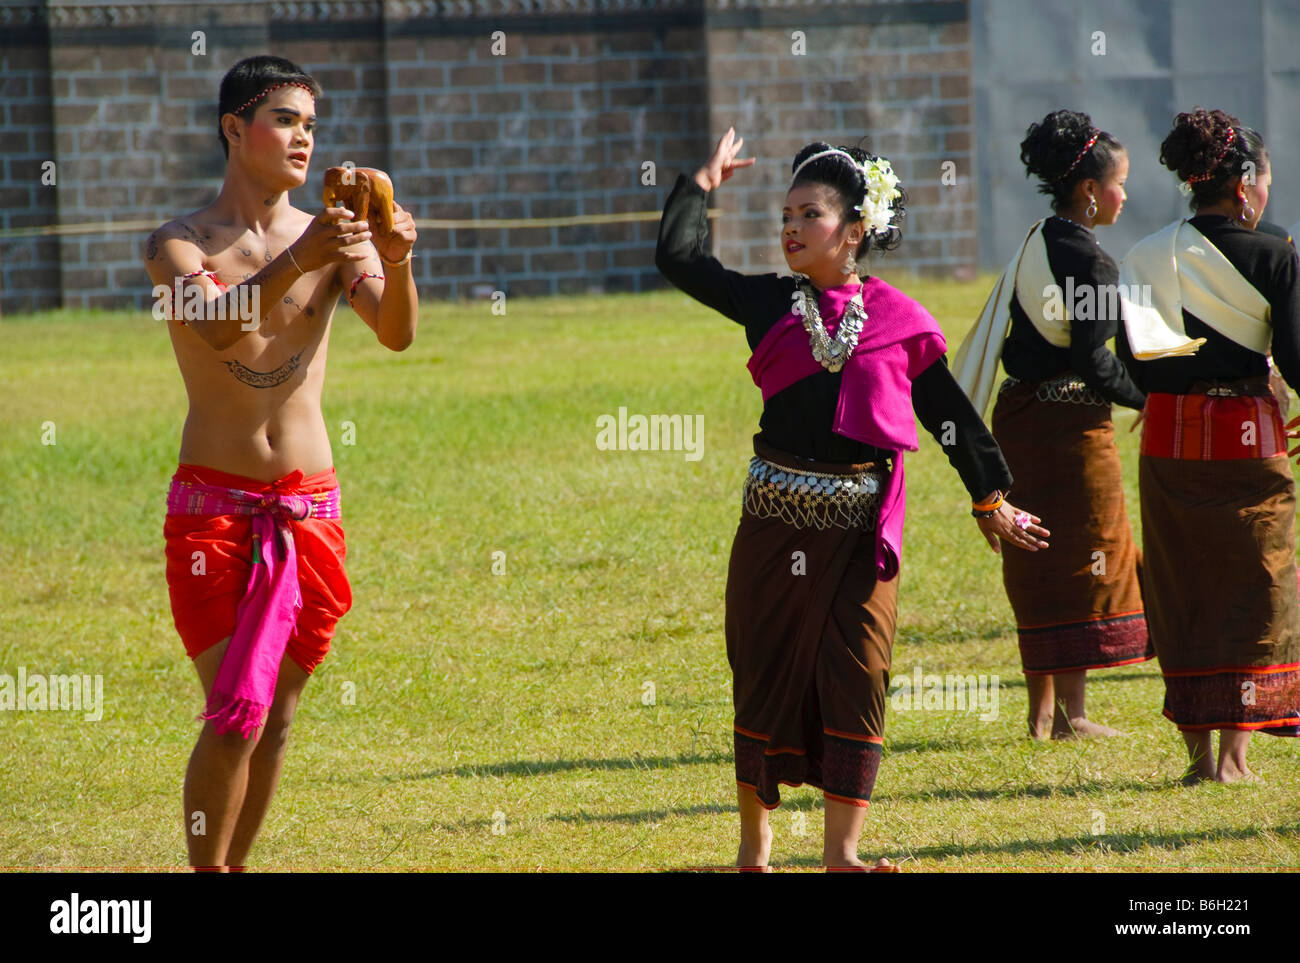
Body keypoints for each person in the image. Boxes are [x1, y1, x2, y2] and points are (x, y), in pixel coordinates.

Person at [656, 128, 1049, 870]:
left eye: (810, 214)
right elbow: (678, 260)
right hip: (774, 528)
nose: (791, 228)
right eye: (786, 215)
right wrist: (702, 185)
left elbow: (949, 416)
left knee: (860, 673)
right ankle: (753, 852)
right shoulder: (768, 302)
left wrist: (990, 496)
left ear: (855, 230)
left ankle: (843, 853)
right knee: (765, 671)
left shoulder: (901, 322)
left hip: (861, 535)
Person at [143, 55, 418, 869]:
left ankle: (233, 865)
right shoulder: (174, 244)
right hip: (213, 511)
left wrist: (395, 252)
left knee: (279, 714)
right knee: (237, 710)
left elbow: (397, 332)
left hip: (310, 507)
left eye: (310, 124)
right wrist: (304, 257)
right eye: (285, 119)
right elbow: (217, 326)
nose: (303, 138)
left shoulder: (334, 235)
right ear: (235, 128)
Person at [953, 110, 1151, 740]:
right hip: (1070, 432)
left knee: (1037, 556)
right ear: (1091, 190)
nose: (1126, 195)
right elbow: (1093, 361)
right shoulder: (1092, 264)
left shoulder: (1038, 238)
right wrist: (1145, 398)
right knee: (1086, 554)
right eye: (1120, 182)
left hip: (1018, 417)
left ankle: (1045, 716)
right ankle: (1072, 715)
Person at [1116, 107, 1300, 782]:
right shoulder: (1276, 257)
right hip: (1251, 442)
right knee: (1256, 584)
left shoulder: (1145, 256)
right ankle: (1234, 757)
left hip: (1170, 438)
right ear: (1246, 182)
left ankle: (1197, 758)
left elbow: (1134, 363)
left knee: (1182, 583)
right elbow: (1298, 360)